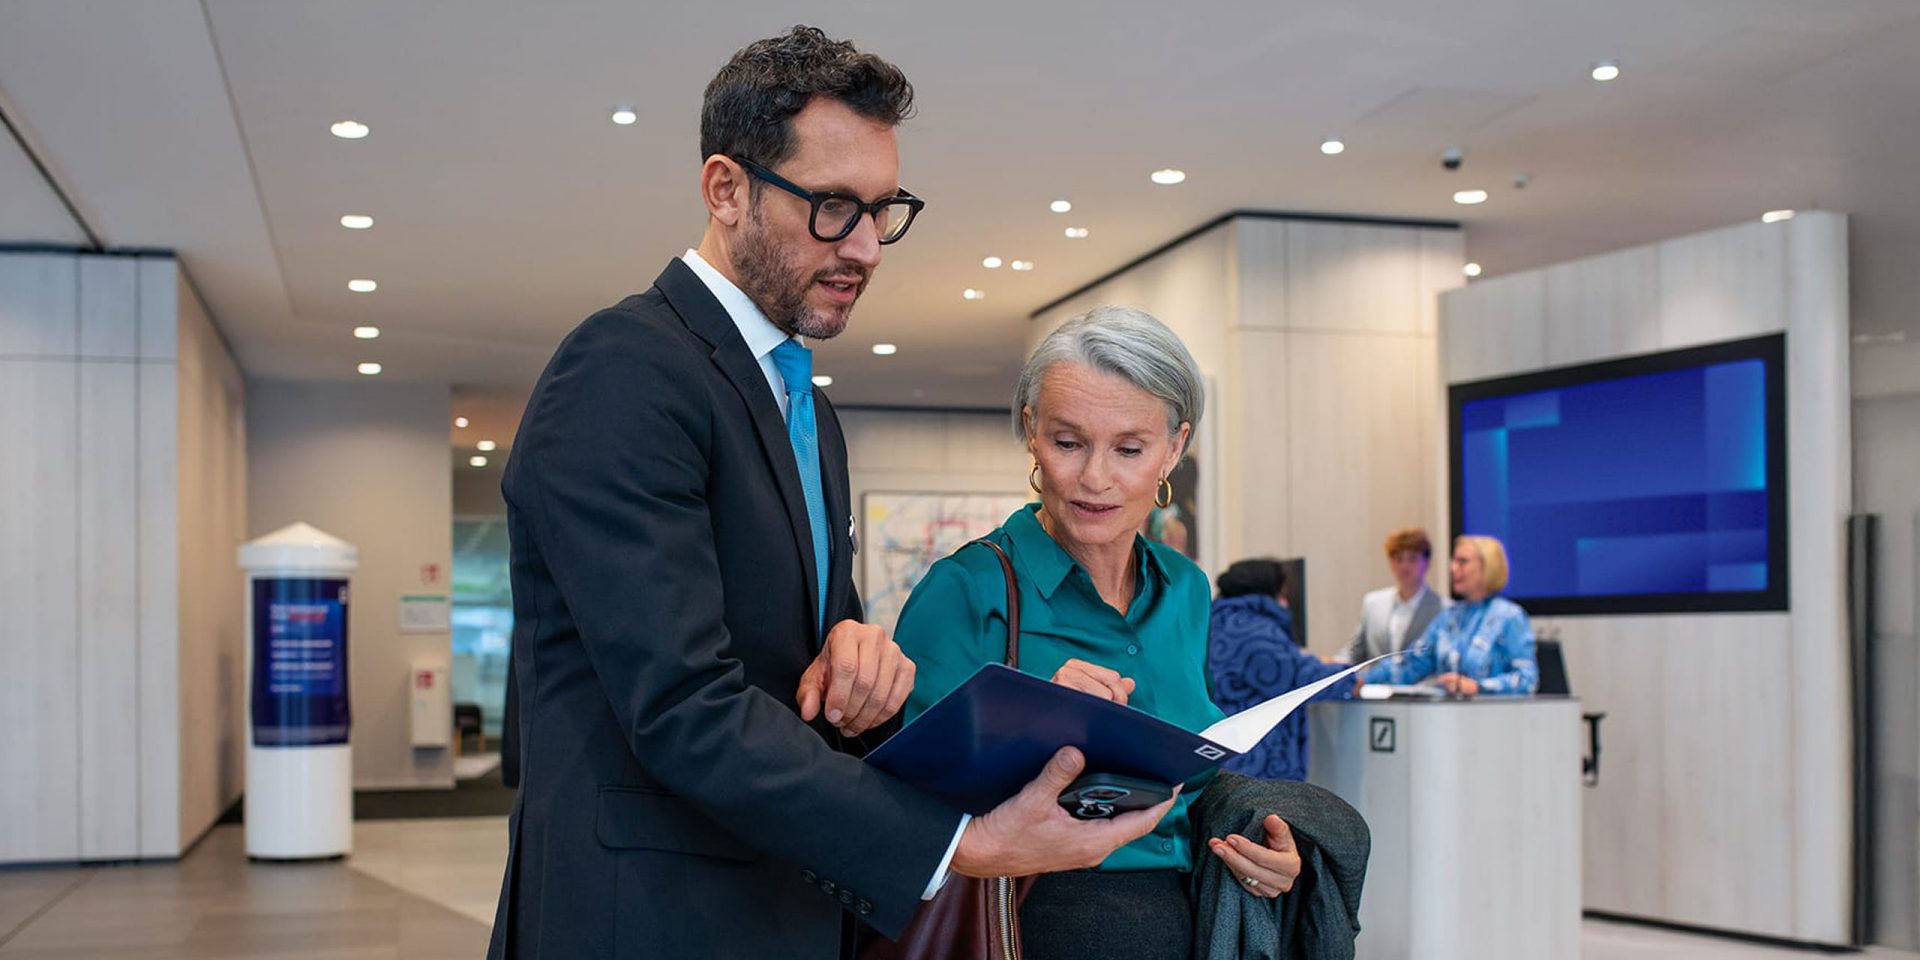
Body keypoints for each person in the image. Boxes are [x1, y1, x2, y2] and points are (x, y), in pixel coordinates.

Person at [489, 28, 1171, 960]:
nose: (867, 248)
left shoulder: (802, 405)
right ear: (726, 189)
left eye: (882, 212)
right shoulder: (625, 372)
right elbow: (682, 705)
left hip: (781, 902)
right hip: (649, 914)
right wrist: (958, 843)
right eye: (833, 208)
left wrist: (865, 661)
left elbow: (807, 676)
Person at [895, 306, 1303, 960]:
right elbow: (894, 816)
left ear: (1175, 446)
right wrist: (1029, 727)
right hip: (1028, 924)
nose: (1094, 478)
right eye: (1067, 442)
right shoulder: (966, 590)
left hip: (1185, 921)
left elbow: (1190, 789)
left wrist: (1264, 850)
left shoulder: (1187, 589)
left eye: (1130, 449)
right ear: (1031, 432)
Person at [1207, 558, 1355, 781]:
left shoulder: (1218, 620)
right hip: (1255, 761)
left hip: (1225, 750)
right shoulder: (1251, 629)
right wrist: (1350, 678)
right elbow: (1296, 677)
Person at [1362, 535, 1539, 697]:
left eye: (1462, 562)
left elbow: (1527, 679)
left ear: (1488, 566)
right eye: (1453, 561)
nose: (1453, 568)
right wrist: (1362, 679)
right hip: (1450, 721)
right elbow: (1413, 663)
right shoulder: (1449, 617)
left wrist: (1479, 687)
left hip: (1493, 721)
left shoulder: (1509, 617)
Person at [1339, 527, 1444, 664]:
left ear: (1427, 562)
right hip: (1374, 684)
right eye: (1398, 559)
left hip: (1421, 685)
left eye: (1412, 559)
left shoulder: (1443, 609)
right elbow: (1354, 654)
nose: (1404, 566)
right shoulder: (1373, 604)